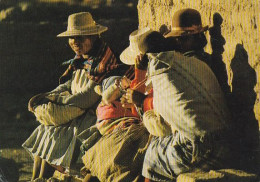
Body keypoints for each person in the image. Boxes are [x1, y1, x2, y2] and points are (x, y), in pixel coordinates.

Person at [124, 9, 237, 182]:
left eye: (178, 39)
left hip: (206, 147)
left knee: (152, 156)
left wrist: (141, 102)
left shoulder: (169, 71)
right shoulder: (197, 63)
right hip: (224, 138)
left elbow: (165, 124)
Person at [22, 12, 127, 181]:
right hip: (75, 111)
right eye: (72, 38)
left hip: (89, 116)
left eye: (81, 37)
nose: (75, 42)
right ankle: (37, 178)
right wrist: (48, 95)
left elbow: (86, 98)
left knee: (54, 134)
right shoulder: (80, 60)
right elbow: (69, 85)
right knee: (44, 129)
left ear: (93, 37)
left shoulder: (103, 64)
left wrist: (56, 100)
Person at [79, 28, 172, 182]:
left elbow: (152, 108)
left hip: (155, 128)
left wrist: (138, 101)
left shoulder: (163, 75)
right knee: (108, 151)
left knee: (121, 154)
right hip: (142, 124)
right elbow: (135, 102)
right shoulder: (144, 74)